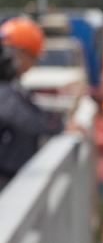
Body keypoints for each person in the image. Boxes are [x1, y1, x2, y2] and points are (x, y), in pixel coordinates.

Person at [0, 17, 63, 188]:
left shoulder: (12, 85)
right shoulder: (4, 88)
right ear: (17, 54)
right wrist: (60, 127)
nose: (33, 65)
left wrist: (58, 122)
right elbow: (23, 118)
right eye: (33, 58)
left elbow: (32, 111)